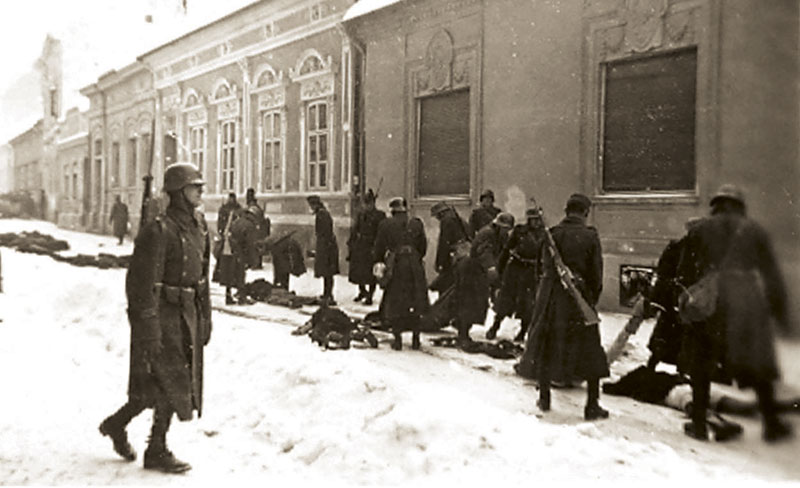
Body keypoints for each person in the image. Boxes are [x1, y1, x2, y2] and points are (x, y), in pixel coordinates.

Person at [98, 162, 212, 473]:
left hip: (186, 315)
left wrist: (205, 318)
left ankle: (115, 424)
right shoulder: (158, 231)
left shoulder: (200, 226)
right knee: (165, 383)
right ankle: (156, 449)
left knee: (160, 386)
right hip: (161, 316)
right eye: (194, 186)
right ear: (178, 192)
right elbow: (139, 285)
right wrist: (147, 328)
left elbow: (203, 278)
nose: (200, 191)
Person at [678, 184, 792, 443]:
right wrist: (779, 311)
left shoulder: (699, 229)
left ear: (715, 205)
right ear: (740, 206)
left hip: (712, 300)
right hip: (746, 301)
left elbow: (684, 271)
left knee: (702, 363)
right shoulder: (754, 230)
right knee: (758, 363)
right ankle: (772, 425)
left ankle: (698, 424)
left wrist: (690, 300)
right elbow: (771, 274)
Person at [521, 193, 608, 420]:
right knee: (590, 352)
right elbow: (596, 274)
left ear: (567, 210)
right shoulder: (590, 235)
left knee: (548, 346)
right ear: (585, 212)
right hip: (580, 300)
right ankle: (591, 405)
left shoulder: (553, 234)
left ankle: (544, 397)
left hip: (553, 300)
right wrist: (590, 298)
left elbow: (542, 269)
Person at [645, 217, 704, 370]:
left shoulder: (696, 249)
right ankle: (654, 367)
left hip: (685, 301)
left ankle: (677, 371)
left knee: (679, 340)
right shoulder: (678, 247)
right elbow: (663, 272)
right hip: (676, 300)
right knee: (672, 338)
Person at [373, 197, 429, 350]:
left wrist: (379, 261)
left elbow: (379, 246)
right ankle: (415, 339)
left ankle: (397, 340)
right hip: (415, 265)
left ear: (392, 211)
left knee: (396, 302)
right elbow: (423, 246)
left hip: (397, 266)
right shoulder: (417, 223)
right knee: (415, 300)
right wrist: (415, 258)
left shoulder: (386, 224)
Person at [486, 208, 546, 342]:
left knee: (528, 305)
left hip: (531, 271)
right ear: (529, 220)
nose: (536, 222)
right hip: (515, 269)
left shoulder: (544, 234)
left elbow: (546, 256)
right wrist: (499, 269)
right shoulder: (519, 231)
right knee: (505, 300)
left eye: (538, 219)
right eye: (533, 219)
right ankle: (495, 327)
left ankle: (522, 332)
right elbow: (507, 250)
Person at [347, 189, 385, 305]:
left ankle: (370, 295)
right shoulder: (361, 214)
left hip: (373, 246)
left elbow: (382, 231)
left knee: (371, 273)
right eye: (365, 203)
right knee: (358, 271)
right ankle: (362, 291)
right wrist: (351, 243)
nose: (366, 206)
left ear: (373, 203)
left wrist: (379, 247)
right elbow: (355, 229)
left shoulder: (380, 215)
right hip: (361, 246)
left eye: (369, 203)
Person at [430, 201, 470, 292]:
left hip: (456, 254)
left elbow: (444, 243)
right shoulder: (457, 218)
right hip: (465, 251)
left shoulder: (446, 221)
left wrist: (439, 262)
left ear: (441, 213)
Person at [307, 195, 339, 304]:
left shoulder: (322, 214)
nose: (310, 207)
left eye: (311, 205)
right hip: (327, 245)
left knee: (327, 272)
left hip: (327, 247)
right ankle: (327, 294)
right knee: (327, 273)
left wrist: (321, 248)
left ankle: (328, 295)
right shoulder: (323, 213)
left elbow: (323, 233)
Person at [227, 206, 261, 305]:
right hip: (241, 252)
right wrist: (253, 259)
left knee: (230, 275)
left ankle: (228, 295)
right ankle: (242, 298)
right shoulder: (250, 225)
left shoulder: (238, 221)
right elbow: (251, 244)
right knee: (241, 274)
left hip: (231, 251)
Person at [245, 188, 269, 269]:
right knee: (256, 246)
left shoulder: (253, 208)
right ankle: (256, 263)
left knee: (255, 246)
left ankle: (256, 263)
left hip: (255, 230)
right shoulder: (256, 207)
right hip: (257, 229)